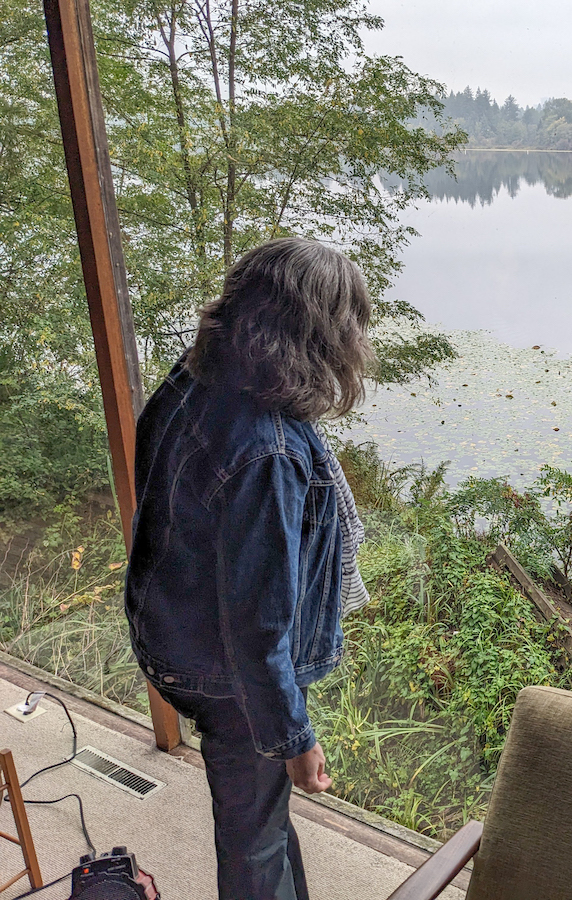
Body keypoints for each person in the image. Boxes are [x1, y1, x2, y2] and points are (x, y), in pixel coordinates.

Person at [124, 238, 374, 899]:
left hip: (172, 637)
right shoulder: (269, 452)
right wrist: (292, 737)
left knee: (258, 813)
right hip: (223, 672)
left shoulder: (193, 376)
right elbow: (259, 628)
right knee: (252, 843)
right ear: (317, 334)